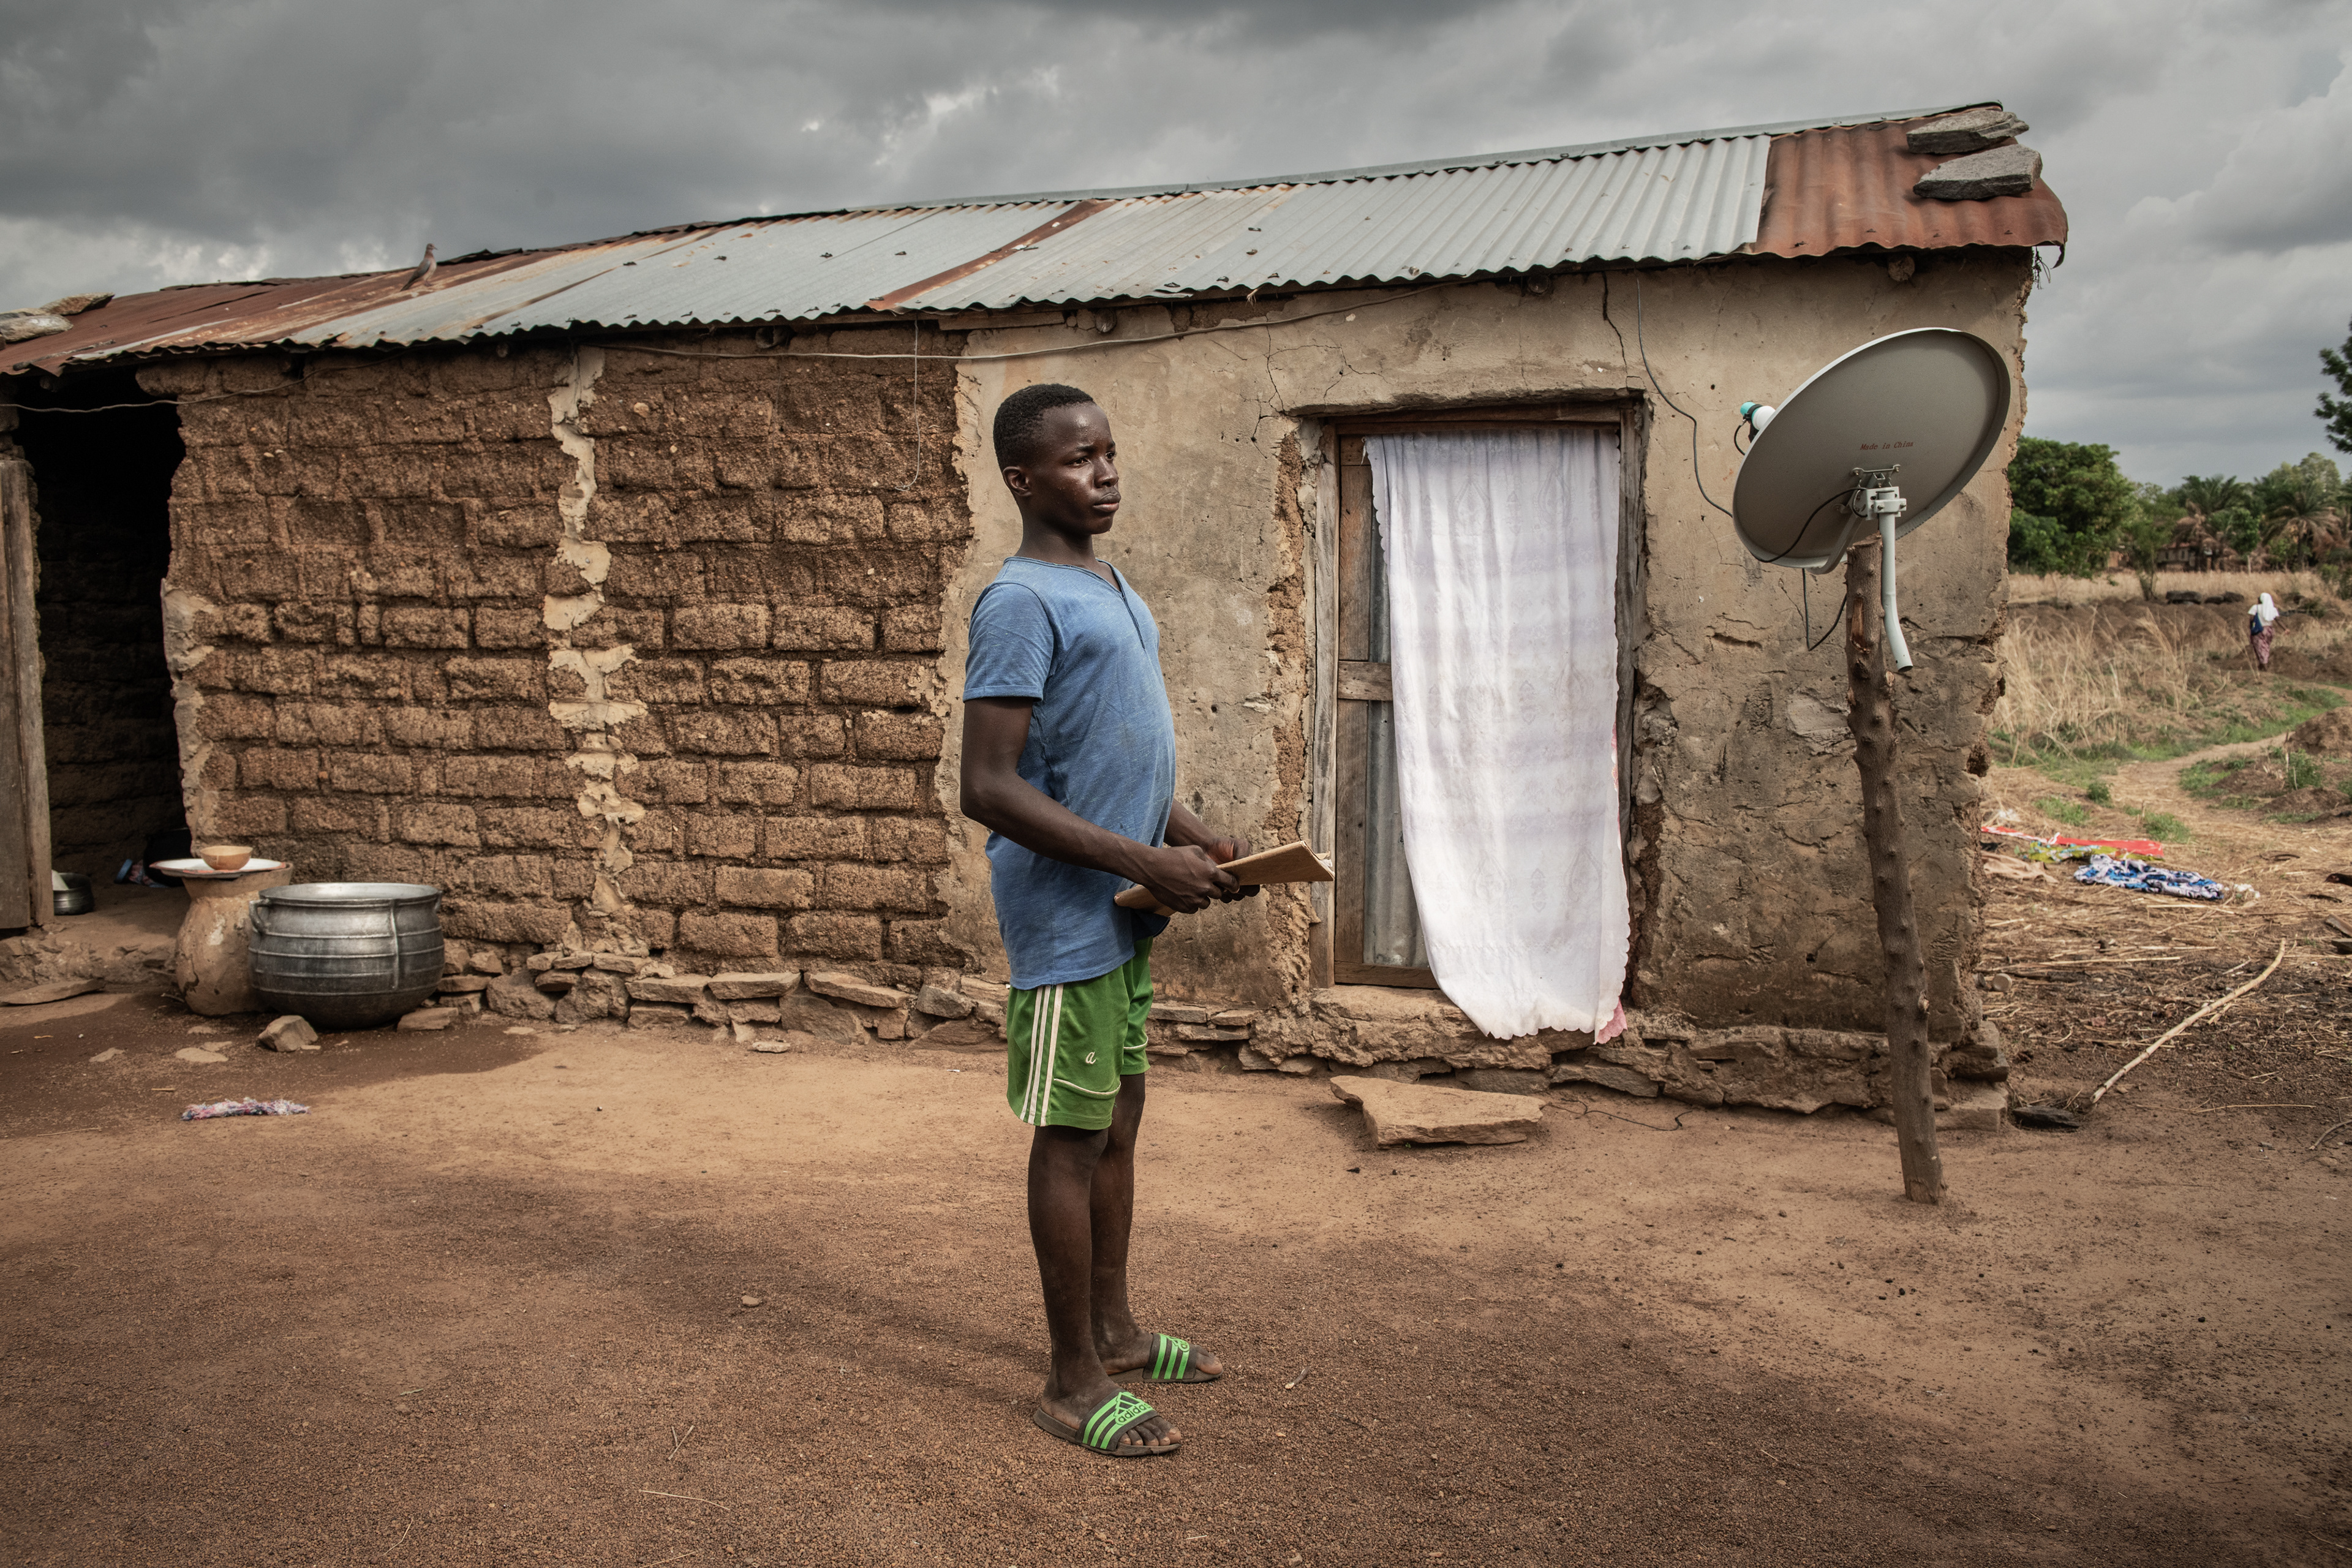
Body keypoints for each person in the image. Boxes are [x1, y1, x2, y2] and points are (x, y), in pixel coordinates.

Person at [958, 382, 1257, 1458]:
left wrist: (1194, 834)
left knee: (1120, 1121)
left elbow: (1105, 754)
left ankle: (1118, 1334)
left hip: (1124, 915)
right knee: (1072, 1138)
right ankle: (1071, 1380)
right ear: (1022, 479)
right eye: (1079, 458)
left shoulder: (1112, 586)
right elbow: (989, 786)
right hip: (1065, 922)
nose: (1107, 472)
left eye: (1110, 452)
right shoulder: (1018, 603)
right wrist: (1142, 859)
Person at [2249, 592, 2282, 671]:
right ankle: (2261, 666)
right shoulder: (2273, 609)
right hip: (2270, 631)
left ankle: (2265, 668)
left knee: (2260, 648)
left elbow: (2251, 619)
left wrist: (2251, 628)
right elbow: (2278, 620)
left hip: (2260, 630)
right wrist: (2285, 629)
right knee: (2266, 647)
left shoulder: (2255, 608)